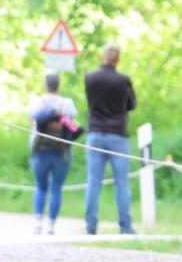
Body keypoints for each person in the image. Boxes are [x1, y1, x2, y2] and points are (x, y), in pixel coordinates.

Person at [84, 43, 137, 235]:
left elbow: (91, 103)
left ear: (102, 57)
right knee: (122, 182)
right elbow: (131, 104)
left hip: (95, 133)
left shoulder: (90, 78)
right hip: (118, 135)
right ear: (118, 59)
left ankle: (91, 226)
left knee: (93, 180)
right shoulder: (124, 80)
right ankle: (125, 225)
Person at [28, 73, 78, 236]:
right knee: (56, 188)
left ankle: (37, 222)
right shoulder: (67, 104)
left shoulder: (37, 102)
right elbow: (71, 125)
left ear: (45, 84)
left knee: (41, 187)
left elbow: (32, 124)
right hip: (61, 152)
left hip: (40, 151)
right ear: (59, 85)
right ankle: (51, 225)